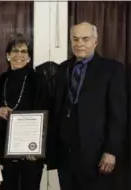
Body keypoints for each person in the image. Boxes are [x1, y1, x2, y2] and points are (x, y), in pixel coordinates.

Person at [49, 22, 127, 190]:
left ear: (95, 42)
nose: (80, 44)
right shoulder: (63, 69)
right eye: (75, 39)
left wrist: (111, 151)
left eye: (85, 39)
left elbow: (118, 115)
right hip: (66, 156)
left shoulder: (112, 69)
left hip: (97, 156)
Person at [0, 33, 49, 190]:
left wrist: (37, 149)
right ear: (8, 55)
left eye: (24, 51)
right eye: (15, 51)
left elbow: (44, 114)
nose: (19, 55)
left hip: (31, 150)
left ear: (29, 57)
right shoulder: (1, 80)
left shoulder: (38, 80)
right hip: (6, 150)